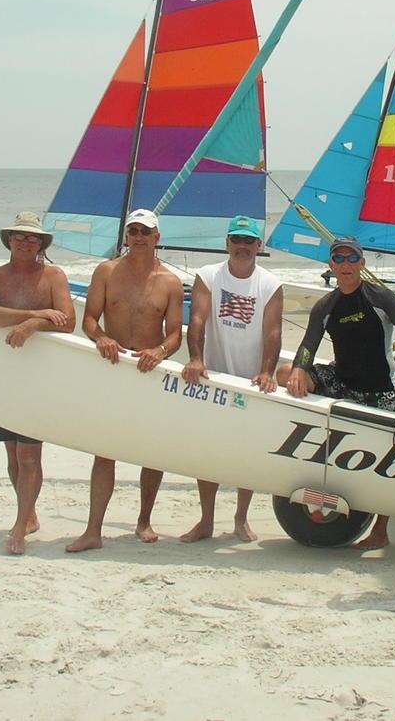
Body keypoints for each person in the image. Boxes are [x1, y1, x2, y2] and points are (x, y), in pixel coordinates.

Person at [276, 235, 395, 551]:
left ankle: (380, 531)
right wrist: (300, 368)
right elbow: (308, 345)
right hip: (343, 383)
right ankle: (312, 452)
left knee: (384, 466)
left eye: (352, 258)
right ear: (330, 266)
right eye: (339, 259)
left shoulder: (380, 298)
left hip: (379, 392)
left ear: (362, 263)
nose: (346, 265)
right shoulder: (327, 305)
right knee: (286, 373)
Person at [66, 208, 183, 553]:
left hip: (149, 370)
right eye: (133, 231)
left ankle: (144, 519)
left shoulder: (170, 282)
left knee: (153, 452)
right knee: (105, 452)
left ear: (157, 238)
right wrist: (101, 338)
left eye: (146, 232)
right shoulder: (106, 271)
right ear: (126, 236)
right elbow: (88, 319)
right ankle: (93, 530)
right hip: (113, 367)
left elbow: (175, 334)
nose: (139, 237)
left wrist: (160, 351)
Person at [0, 212, 76, 555]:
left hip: (39, 378)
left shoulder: (54, 276)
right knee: (13, 454)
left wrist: (32, 326)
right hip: (1, 376)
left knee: (30, 455)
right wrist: (36, 315)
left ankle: (19, 525)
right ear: (9, 240)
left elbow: (67, 322)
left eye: (32, 238)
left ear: (41, 244)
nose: (25, 242)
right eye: (19, 236)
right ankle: (28, 513)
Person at [179, 215, 281, 544]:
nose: (242, 246)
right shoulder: (208, 276)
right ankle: (206, 520)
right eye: (236, 239)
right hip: (214, 377)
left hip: (250, 381)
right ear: (227, 243)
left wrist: (267, 370)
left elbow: (274, 332)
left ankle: (241, 518)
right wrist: (195, 358)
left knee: (244, 453)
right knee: (208, 452)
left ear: (257, 245)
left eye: (248, 240)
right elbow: (196, 319)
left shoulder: (270, 283)